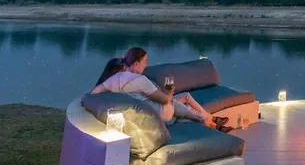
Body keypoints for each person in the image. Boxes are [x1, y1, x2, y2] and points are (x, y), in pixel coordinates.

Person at [91, 47, 228, 130]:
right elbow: (165, 100)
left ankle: (209, 121)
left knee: (182, 105)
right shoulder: (140, 80)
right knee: (175, 102)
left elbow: (94, 92)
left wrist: (86, 101)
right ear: (136, 63)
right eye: (145, 61)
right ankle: (207, 120)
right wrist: (169, 91)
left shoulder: (114, 80)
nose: (146, 65)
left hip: (145, 112)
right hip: (158, 114)